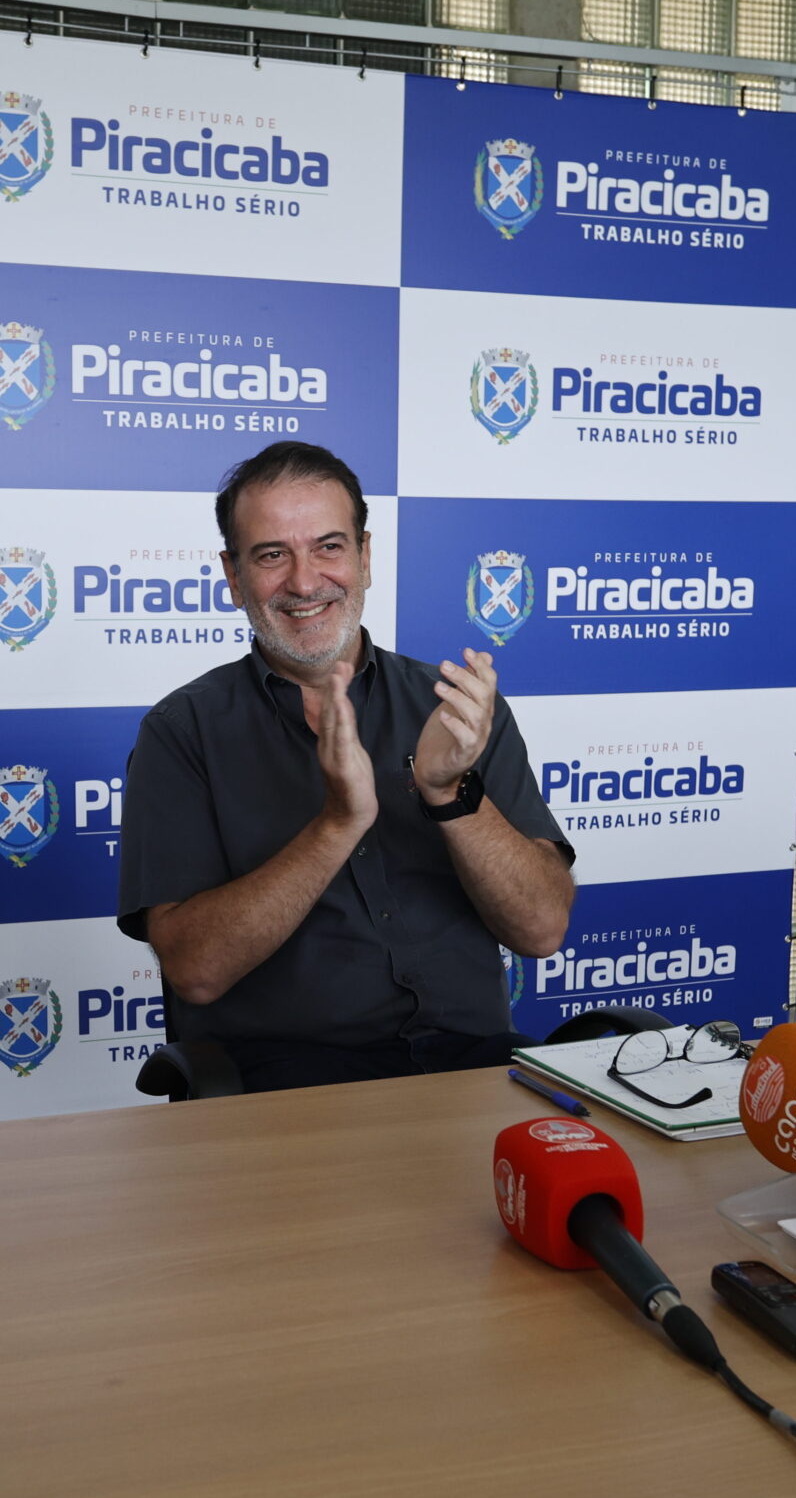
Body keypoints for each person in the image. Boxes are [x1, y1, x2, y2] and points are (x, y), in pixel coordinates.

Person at [117, 441, 575, 1092]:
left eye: (329, 547)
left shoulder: (458, 710)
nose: (305, 581)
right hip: (287, 1091)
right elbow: (194, 968)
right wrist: (338, 823)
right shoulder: (181, 732)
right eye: (272, 554)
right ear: (233, 574)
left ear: (365, 556)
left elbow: (542, 927)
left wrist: (450, 794)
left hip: (474, 1070)